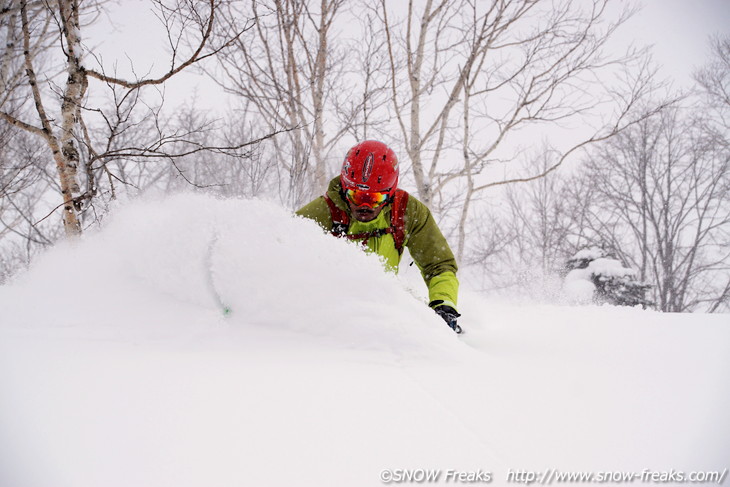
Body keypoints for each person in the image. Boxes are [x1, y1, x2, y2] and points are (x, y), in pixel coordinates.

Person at [296, 140, 462, 333]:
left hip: (385, 312)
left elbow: (439, 264)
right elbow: (283, 254)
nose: (364, 207)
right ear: (344, 187)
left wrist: (444, 304)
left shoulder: (406, 211)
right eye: (356, 196)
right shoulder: (324, 213)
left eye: (375, 199)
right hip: (332, 316)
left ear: (390, 194)